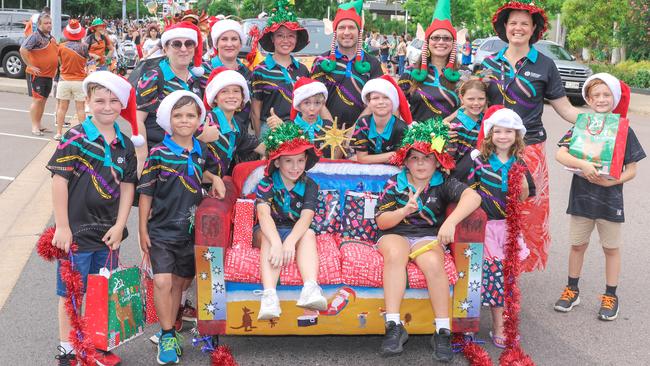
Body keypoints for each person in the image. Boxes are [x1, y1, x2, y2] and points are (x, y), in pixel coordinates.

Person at [47, 71, 142, 365]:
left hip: (108, 235)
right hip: (75, 235)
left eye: (114, 101)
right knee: (72, 294)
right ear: (87, 101)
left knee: (104, 291)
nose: (107, 106)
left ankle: (98, 344)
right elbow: (58, 180)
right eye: (100, 100)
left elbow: (128, 186)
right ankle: (68, 347)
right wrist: (62, 226)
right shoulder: (75, 137)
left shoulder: (126, 144)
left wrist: (120, 224)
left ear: (121, 105)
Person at [480, 0, 582, 271]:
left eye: (524, 23)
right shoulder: (488, 63)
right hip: (493, 148)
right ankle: (492, 266)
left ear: (534, 28)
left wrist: (596, 120)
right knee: (492, 206)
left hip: (530, 149)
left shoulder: (545, 65)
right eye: (513, 22)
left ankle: (515, 272)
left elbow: (565, 108)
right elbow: (474, 104)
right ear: (505, 26)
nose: (518, 28)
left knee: (527, 212)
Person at [375, 118, 481, 362]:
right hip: (395, 233)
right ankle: (393, 325)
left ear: (437, 161)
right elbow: (381, 222)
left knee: (434, 263)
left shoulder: (442, 183)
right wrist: (404, 211)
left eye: (427, 158)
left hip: (427, 236)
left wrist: (450, 222)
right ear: (406, 162)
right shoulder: (395, 183)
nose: (420, 163)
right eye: (414, 158)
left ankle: (442, 330)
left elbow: (472, 198)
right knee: (395, 256)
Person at [138, 90, 225, 365]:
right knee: (162, 281)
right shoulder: (159, 153)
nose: (184, 120)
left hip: (190, 232)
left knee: (180, 283)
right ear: (168, 119)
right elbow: (146, 194)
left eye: (190, 115)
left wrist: (215, 179)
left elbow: (204, 171)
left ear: (199, 119)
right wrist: (142, 230)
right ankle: (165, 335)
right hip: (161, 231)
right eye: (178, 115)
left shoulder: (201, 150)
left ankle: (173, 325)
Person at [553, 74, 645, 321]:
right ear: (589, 100)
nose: (601, 100)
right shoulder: (582, 126)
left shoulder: (623, 129)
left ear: (614, 99)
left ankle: (611, 295)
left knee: (611, 248)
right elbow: (560, 154)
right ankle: (572, 289)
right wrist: (582, 164)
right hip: (582, 198)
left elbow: (632, 170)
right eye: (596, 96)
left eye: (606, 95)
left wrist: (612, 181)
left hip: (610, 199)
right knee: (577, 245)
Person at [467, 106, 534, 348]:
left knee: (507, 279)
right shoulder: (479, 161)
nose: (503, 136)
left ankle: (504, 321)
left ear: (517, 136)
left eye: (509, 131)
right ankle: (493, 325)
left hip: (509, 228)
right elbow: (466, 193)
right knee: (487, 278)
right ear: (489, 134)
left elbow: (525, 197)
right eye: (498, 131)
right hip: (485, 228)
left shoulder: (520, 163)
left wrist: (522, 179)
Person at [254, 123, 327, 320]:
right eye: (289, 161)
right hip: (268, 229)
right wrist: (278, 242)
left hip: (295, 229)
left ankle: (310, 288)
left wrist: (290, 242)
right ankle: (269, 296)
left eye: (300, 161)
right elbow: (263, 215)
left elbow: (307, 217)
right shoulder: (266, 183)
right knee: (269, 239)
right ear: (277, 162)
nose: (295, 167)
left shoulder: (310, 184)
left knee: (310, 233)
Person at [135, 21, 206, 173]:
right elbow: (138, 119)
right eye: (176, 44)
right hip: (158, 159)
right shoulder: (153, 77)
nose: (183, 49)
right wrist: (142, 158)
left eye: (189, 44)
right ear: (166, 48)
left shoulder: (197, 78)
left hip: (188, 158)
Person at [311, 0, 384, 130]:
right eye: (341, 27)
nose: (346, 32)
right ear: (335, 31)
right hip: (325, 132)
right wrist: (332, 132)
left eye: (351, 27)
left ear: (359, 31)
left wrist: (355, 131)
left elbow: (376, 101)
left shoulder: (373, 63)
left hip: (362, 133)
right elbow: (316, 99)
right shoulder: (321, 61)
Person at [251, 0, 310, 137]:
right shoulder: (261, 70)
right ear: (272, 38)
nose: (285, 40)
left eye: (290, 36)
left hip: (299, 129)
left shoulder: (302, 70)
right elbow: (255, 112)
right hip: (271, 132)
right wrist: (262, 140)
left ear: (296, 39)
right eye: (280, 35)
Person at [398, 0, 461, 122]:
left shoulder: (463, 74)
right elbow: (394, 105)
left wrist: (448, 123)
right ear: (427, 42)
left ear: (453, 44)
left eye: (447, 38)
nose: (441, 42)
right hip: (416, 139)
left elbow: (472, 110)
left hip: (453, 139)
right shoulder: (410, 72)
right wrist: (404, 129)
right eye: (436, 37)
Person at [198, 67, 264, 177]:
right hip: (193, 187)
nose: (231, 96)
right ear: (215, 98)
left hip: (215, 188)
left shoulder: (237, 126)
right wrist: (201, 140)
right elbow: (183, 153)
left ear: (242, 97)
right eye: (224, 91)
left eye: (236, 91)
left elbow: (261, 147)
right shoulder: (206, 120)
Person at [203, 18, 252, 132]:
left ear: (240, 44)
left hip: (242, 139)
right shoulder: (203, 71)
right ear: (216, 44)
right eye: (224, 39)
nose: (229, 44)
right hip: (212, 140)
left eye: (234, 39)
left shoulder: (247, 72)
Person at [352, 75, 412, 163]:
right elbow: (362, 158)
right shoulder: (363, 123)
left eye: (386, 97)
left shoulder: (401, 128)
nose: (381, 102)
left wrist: (367, 158)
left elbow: (400, 159)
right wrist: (391, 155)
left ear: (393, 102)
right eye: (375, 98)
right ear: (368, 103)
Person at [19, 13, 58, 136]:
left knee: (43, 101)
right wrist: (30, 65)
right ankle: (35, 126)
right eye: (46, 23)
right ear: (39, 24)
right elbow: (23, 50)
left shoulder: (51, 37)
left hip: (48, 75)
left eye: (50, 23)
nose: (49, 25)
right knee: (37, 100)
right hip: (37, 75)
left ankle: (39, 124)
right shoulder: (35, 37)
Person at [447, 78, 488, 181]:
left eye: (481, 99)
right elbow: (448, 161)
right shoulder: (455, 127)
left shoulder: (488, 122)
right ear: (461, 98)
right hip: (460, 180)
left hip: (481, 178)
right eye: (471, 99)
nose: (476, 103)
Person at [55, 19, 89, 141]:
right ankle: (84, 134)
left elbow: (59, 63)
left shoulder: (61, 47)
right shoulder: (84, 47)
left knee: (62, 108)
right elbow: (87, 63)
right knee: (80, 109)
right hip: (79, 81)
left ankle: (59, 132)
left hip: (64, 80)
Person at [286, 77, 337, 158]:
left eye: (317, 103)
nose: (312, 108)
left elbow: (335, 158)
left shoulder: (328, 126)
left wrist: (342, 144)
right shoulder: (290, 127)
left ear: (322, 104)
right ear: (298, 105)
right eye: (306, 103)